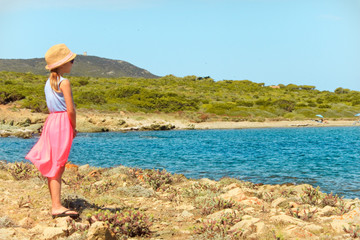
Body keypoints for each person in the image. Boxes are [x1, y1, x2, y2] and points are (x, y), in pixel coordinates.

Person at [25, 44, 79, 219]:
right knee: (58, 164)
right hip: (62, 122)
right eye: (71, 60)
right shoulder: (64, 82)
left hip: (52, 122)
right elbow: (70, 110)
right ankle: (56, 206)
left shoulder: (48, 83)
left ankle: (56, 203)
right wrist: (73, 127)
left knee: (55, 162)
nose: (73, 63)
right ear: (62, 64)